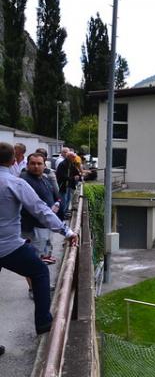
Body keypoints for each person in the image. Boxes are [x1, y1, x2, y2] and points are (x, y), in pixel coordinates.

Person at [0, 142, 78, 338]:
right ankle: (43, 324)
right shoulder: (15, 183)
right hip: (9, 247)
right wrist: (66, 231)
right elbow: (40, 210)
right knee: (40, 272)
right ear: (13, 160)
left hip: (10, 245)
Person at [21, 152, 60, 265]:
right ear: (27, 165)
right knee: (34, 259)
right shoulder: (24, 180)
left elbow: (55, 195)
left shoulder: (44, 178)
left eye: (39, 163)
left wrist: (57, 203)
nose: (36, 166)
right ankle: (37, 281)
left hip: (44, 224)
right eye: (33, 163)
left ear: (44, 165)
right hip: (33, 227)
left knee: (40, 255)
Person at [56, 152, 81, 218]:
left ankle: (66, 211)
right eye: (73, 157)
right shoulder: (63, 164)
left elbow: (76, 172)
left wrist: (78, 176)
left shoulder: (71, 164)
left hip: (69, 185)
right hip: (63, 185)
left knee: (68, 199)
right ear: (69, 157)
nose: (74, 158)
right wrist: (73, 178)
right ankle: (62, 214)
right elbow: (62, 176)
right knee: (63, 200)